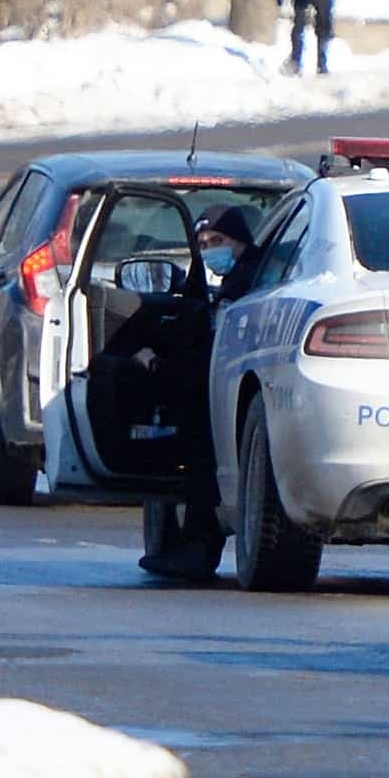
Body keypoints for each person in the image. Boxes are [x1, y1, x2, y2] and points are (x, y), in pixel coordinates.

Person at [120, 205, 261, 579]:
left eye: (218, 241)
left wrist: (160, 365)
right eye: (202, 244)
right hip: (222, 384)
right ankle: (189, 545)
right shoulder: (228, 282)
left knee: (200, 449)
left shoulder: (252, 280)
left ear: (240, 240)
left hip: (234, 388)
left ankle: (198, 550)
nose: (210, 250)